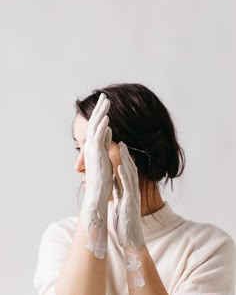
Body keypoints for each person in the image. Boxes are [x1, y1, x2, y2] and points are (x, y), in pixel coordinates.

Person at [33, 83, 236, 295]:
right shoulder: (62, 238)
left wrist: (134, 249)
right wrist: (93, 207)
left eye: (96, 147)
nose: (80, 165)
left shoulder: (207, 249)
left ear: (138, 151)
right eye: (78, 148)